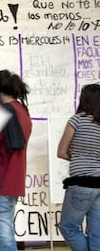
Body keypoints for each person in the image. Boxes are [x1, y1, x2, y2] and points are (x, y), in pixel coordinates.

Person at [0, 69, 32, 251]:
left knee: (3, 242)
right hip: (14, 183)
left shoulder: (1, 113)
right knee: (6, 237)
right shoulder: (23, 113)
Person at [57, 83, 100, 251]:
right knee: (97, 232)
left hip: (81, 183)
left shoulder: (76, 120)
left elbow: (61, 152)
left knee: (68, 227)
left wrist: (76, 157)